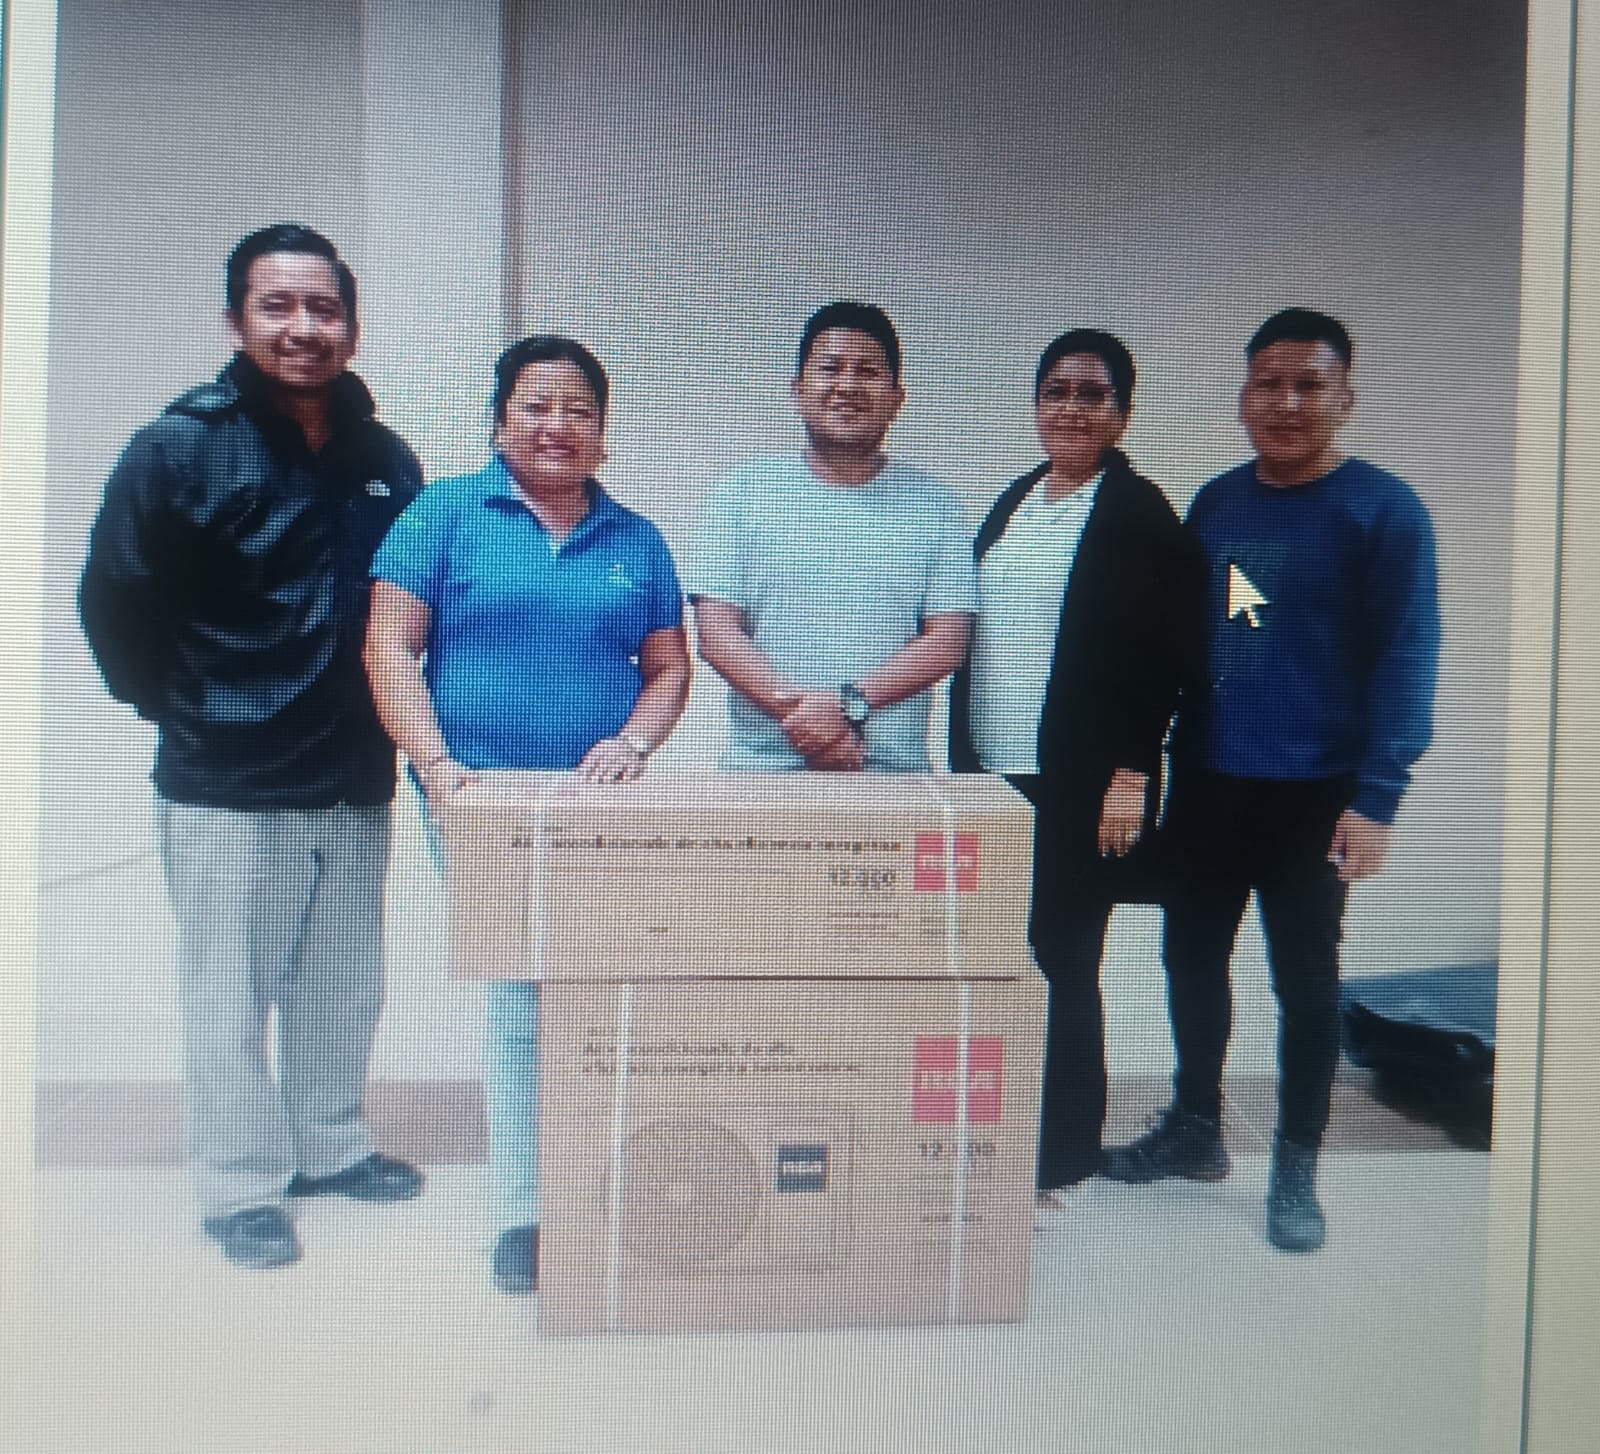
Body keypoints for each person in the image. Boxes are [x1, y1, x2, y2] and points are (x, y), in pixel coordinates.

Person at [78, 223, 427, 1271]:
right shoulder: (176, 446)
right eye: (278, 306)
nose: (303, 327)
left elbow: (406, 611)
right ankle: (239, 1184)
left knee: (342, 986)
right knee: (228, 998)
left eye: (324, 307)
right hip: (225, 781)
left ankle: (330, 1145)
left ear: (351, 325)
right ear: (235, 320)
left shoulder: (382, 457)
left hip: (352, 773)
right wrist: (190, 712)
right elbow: (115, 603)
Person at [1100, 308, 1441, 1254]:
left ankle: (1296, 1165)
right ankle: (1195, 1128)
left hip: (1315, 794)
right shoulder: (1218, 504)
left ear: (1345, 398)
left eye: (1309, 385)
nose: (1287, 404)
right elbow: (1198, 639)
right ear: (1244, 398)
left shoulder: (1384, 510)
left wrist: (1377, 797)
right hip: (1211, 780)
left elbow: (1408, 658)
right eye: (1269, 385)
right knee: (1189, 957)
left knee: (1306, 983)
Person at [363, 334, 691, 1295]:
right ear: (500, 419)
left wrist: (634, 742)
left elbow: (668, 667)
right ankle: (523, 1209)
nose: (558, 424)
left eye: (579, 408)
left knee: (599, 988)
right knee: (520, 993)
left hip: (600, 809)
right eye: (537, 405)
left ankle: (607, 1180)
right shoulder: (443, 514)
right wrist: (436, 767)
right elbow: (389, 647)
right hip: (482, 805)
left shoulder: (635, 538)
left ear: (603, 430)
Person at [948, 329, 1206, 1218]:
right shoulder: (1021, 499)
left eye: (1093, 394)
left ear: (1122, 414)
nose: (1071, 407)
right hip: (994, 774)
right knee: (999, 957)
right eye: (1056, 390)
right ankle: (1002, 1132)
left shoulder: (1140, 515)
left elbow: (1174, 657)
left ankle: (1060, 1157)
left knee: (1062, 961)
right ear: (1035, 405)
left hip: (1080, 785)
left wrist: (1132, 775)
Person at [689, 300, 976, 772]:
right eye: (830, 368)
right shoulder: (740, 493)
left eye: (868, 371)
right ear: (798, 389)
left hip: (892, 775)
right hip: (759, 773)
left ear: (896, 398)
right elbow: (717, 634)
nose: (847, 385)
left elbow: (947, 641)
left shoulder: (937, 505)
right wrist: (808, 724)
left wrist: (849, 706)